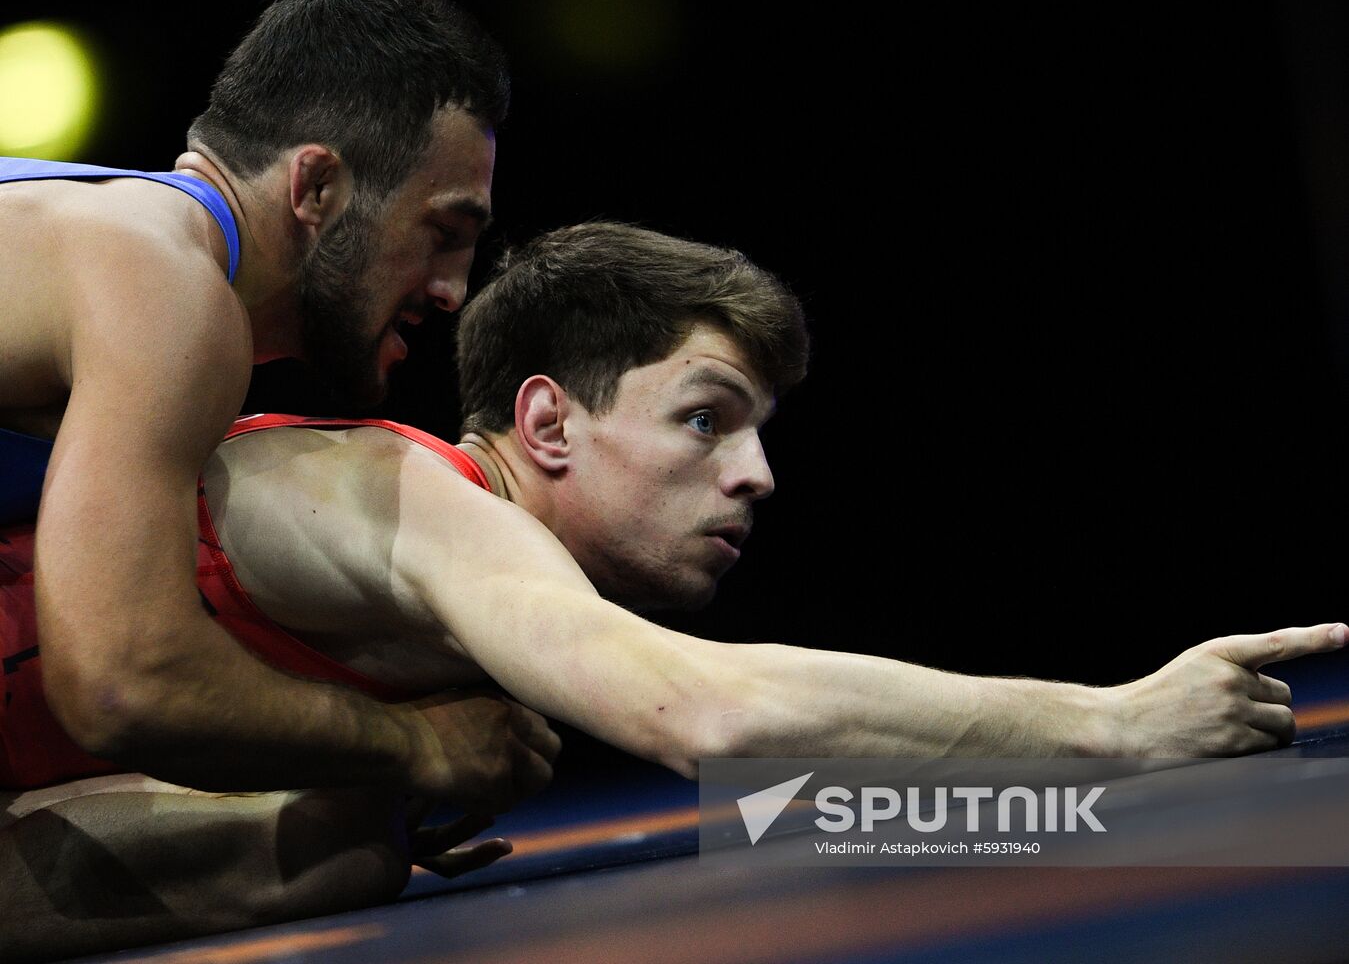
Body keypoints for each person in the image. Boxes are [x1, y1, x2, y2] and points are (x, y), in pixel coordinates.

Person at [4, 222, 1341, 961]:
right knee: (329, 841)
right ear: (548, 425)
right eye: (707, 422)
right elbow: (703, 717)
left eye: (761, 434)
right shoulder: (403, 499)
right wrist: (1116, 726)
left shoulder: (471, 644)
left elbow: (781, 798)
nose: (757, 478)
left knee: (336, 840)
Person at [0, 0, 558, 811]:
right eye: (442, 233)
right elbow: (123, 684)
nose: (452, 290)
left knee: (318, 840)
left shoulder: (80, 219)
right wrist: (410, 745)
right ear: (317, 189)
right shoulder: (167, 290)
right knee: (308, 845)